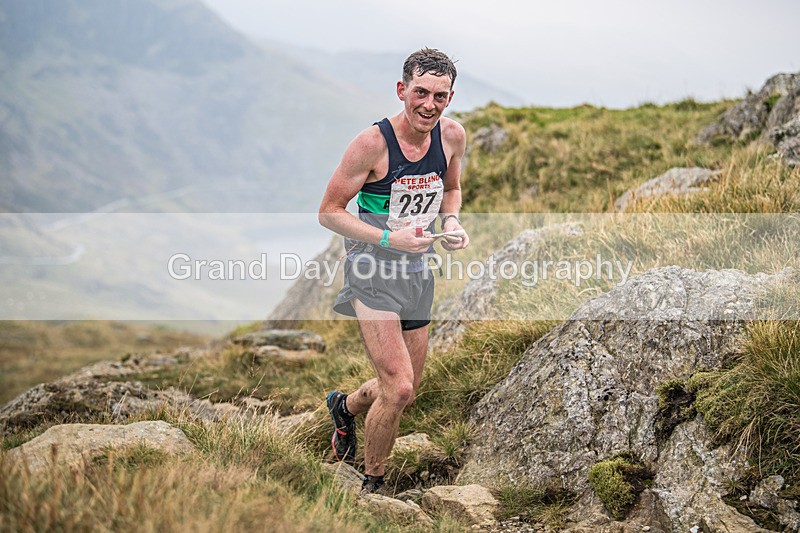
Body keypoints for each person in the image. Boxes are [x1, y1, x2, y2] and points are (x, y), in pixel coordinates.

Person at [318, 48, 468, 495]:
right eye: (420, 92)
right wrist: (387, 239)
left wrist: (451, 223)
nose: (429, 104)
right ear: (402, 90)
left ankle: (345, 407)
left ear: (450, 97)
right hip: (372, 270)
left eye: (439, 96)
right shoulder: (372, 144)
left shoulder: (452, 136)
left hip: (417, 272)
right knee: (399, 388)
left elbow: (452, 188)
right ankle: (373, 488)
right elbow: (329, 212)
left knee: (405, 389)